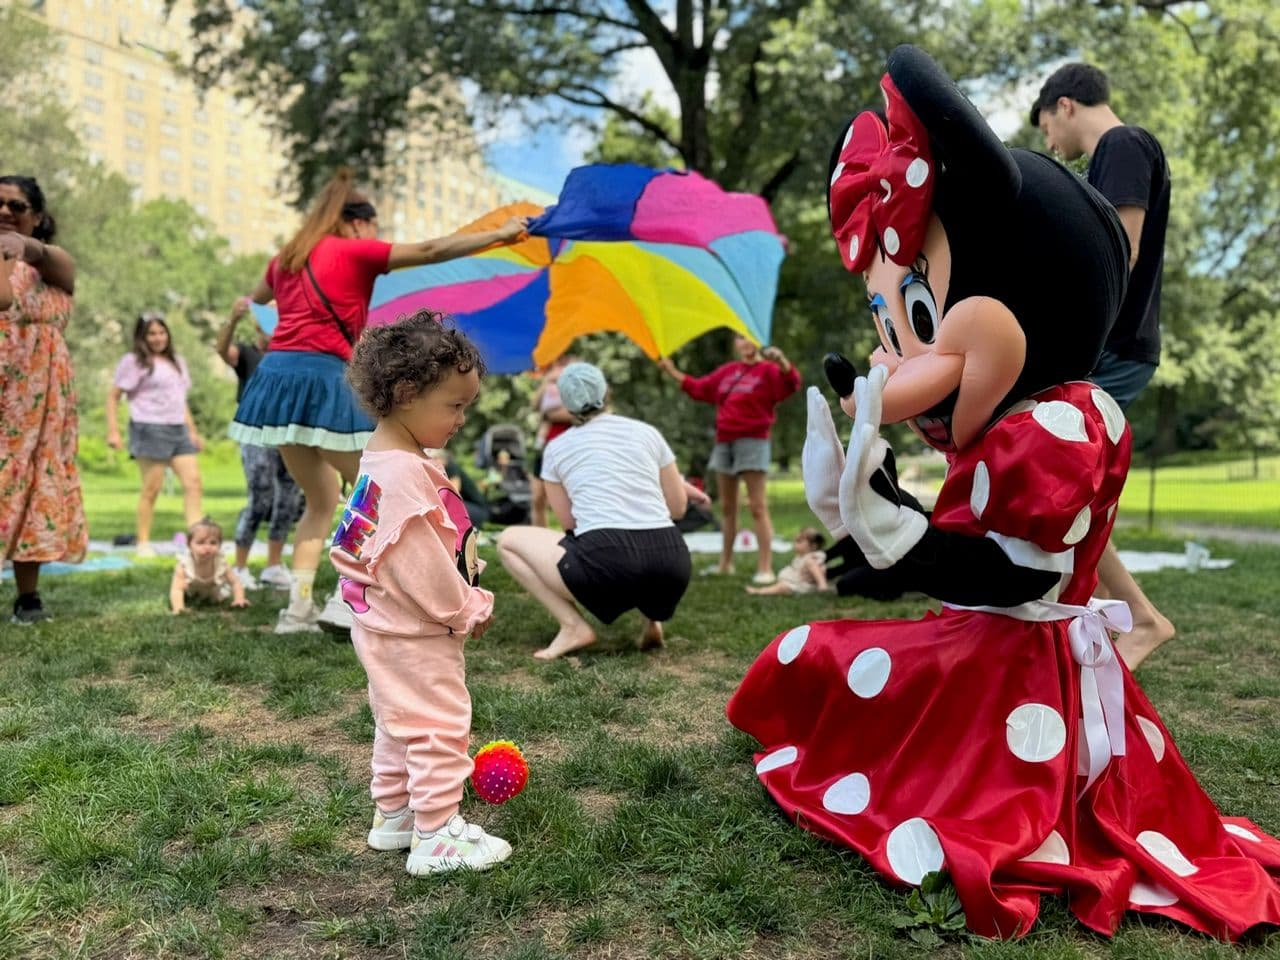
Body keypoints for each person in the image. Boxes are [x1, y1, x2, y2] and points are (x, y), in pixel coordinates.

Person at [730, 45, 1280, 940]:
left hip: (1017, 669)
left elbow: (1022, 576)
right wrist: (878, 515)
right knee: (809, 652)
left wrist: (908, 545)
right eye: (893, 323)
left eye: (918, 317)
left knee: (878, 711)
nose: (900, 360)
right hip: (976, 641)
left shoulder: (1060, 424)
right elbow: (957, 536)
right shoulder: (1003, 420)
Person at [229, 167, 526, 634]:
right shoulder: (355, 251)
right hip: (323, 375)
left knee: (321, 498)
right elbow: (431, 250)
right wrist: (502, 235)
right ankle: (344, 599)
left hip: (276, 380)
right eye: (373, 225)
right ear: (356, 222)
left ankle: (297, 610)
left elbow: (259, 297)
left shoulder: (286, 258)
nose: (377, 234)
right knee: (375, 489)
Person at [329, 313, 510, 875]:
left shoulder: (386, 463)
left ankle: (397, 815)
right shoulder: (405, 477)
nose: (461, 420)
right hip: (415, 629)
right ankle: (436, 833)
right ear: (406, 394)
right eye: (454, 406)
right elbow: (422, 570)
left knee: (398, 719)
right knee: (437, 721)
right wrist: (467, 606)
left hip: (385, 626)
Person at [1031, 62, 1175, 670]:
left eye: (1044, 129)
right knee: (1058, 485)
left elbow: (1123, 246)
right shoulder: (1110, 158)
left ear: (1064, 105)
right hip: (1109, 346)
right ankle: (1132, 617)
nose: (1048, 144)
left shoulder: (1121, 143)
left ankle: (1137, 619)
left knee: (1048, 472)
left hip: (1112, 348)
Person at [497, 362, 694, 661]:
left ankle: (573, 626)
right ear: (606, 391)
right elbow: (678, 508)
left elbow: (570, 524)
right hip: (672, 564)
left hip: (608, 564)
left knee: (508, 540)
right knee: (640, 542)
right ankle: (652, 620)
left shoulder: (557, 448)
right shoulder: (648, 433)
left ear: (565, 402)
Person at [0, 175, 85, 624]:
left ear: (36, 216)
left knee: (35, 484)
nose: (6, 210)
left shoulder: (51, 262)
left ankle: (27, 598)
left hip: (43, 396)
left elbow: (60, 265)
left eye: (17, 205)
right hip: (5, 393)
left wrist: (22, 247)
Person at [657, 337, 800, 584]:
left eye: (750, 338)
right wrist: (671, 371)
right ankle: (726, 563)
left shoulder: (768, 370)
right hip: (724, 442)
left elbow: (791, 384)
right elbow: (699, 388)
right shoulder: (728, 371)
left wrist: (783, 362)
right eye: (740, 338)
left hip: (753, 441)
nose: (745, 343)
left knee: (757, 506)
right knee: (727, 508)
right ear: (735, 343)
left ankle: (765, 568)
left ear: (759, 342)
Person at [215, 297, 302, 591]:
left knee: (288, 498)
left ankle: (273, 566)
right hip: (254, 433)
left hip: (287, 432)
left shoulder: (291, 355)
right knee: (260, 496)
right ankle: (239, 567)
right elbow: (221, 350)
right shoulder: (247, 353)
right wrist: (232, 318)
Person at [106, 313, 205, 557]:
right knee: (153, 488)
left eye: (161, 332)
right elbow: (113, 396)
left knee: (193, 483)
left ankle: (197, 539)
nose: (158, 337)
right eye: (152, 333)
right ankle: (143, 542)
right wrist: (113, 431)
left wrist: (192, 431)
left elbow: (181, 400)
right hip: (149, 427)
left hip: (178, 428)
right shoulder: (134, 361)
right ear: (143, 336)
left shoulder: (177, 362)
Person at [528, 355, 573, 527]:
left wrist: (551, 413)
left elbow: (575, 412)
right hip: (547, 447)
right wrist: (547, 381)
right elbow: (537, 405)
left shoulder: (575, 377)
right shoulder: (550, 378)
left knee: (569, 500)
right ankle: (540, 540)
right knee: (537, 498)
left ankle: (573, 543)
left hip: (569, 447)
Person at [169, 517, 249, 614]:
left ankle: (215, 599)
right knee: (183, 590)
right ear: (189, 545)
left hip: (214, 596)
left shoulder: (221, 564)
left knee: (219, 596)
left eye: (213, 543)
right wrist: (178, 608)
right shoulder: (184, 565)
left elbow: (235, 582)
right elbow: (176, 589)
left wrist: (239, 599)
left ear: (220, 545)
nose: (207, 547)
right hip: (190, 595)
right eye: (201, 542)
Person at [745, 527, 830, 596]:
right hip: (797, 582)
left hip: (803, 586)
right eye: (795, 541)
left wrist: (822, 585)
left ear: (813, 546)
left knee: (782, 587)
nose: (795, 544)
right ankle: (765, 590)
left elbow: (816, 571)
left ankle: (759, 591)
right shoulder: (803, 557)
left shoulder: (810, 559)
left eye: (799, 541)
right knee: (780, 585)